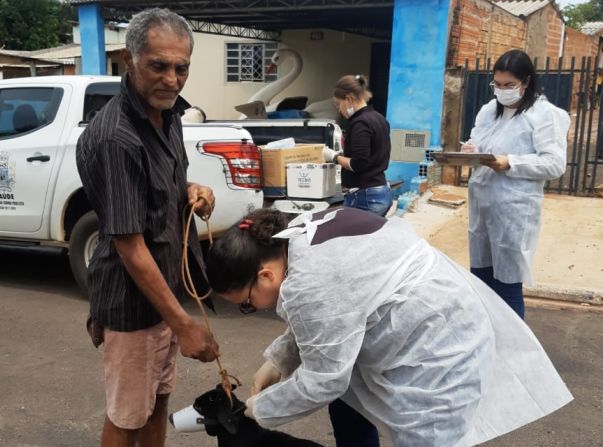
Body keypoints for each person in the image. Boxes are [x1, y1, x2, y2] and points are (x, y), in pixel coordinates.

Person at [205, 207, 573, 447]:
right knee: (350, 404)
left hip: (437, 346)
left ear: (265, 275)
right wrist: (280, 360)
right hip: (432, 312)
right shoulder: (297, 234)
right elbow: (329, 317)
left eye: (247, 304)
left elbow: (324, 379)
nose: (251, 309)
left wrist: (261, 409)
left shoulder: (309, 282)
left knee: (425, 439)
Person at [76, 9, 219, 447]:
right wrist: (185, 325)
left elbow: (160, 191)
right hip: (132, 305)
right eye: (159, 65)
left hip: (164, 295)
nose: (172, 80)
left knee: (157, 402)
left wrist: (195, 190)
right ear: (129, 59)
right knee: (126, 417)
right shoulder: (118, 137)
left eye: (181, 68)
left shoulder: (169, 116)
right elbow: (130, 247)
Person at [461, 49, 570, 319]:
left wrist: (511, 162)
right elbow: (477, 145)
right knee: (481, 281)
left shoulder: (545, 115)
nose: (501, 91)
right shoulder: (490, 111)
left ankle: (514, 350)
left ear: (527, 81)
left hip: (513, 211)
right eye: (497, 84)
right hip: (482, 206)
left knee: (507, 286)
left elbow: (554, 164)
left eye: (509, 85)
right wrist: (470, 152)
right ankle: (487, 341)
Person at [322, 74, 392, 216]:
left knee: (353, 237)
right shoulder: (379, 118)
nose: (339, 110)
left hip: (365, 197)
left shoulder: (360, 123)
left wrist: (334, 156)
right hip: (380, 190)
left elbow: (359, 164)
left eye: (338, 104)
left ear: (348, 99)